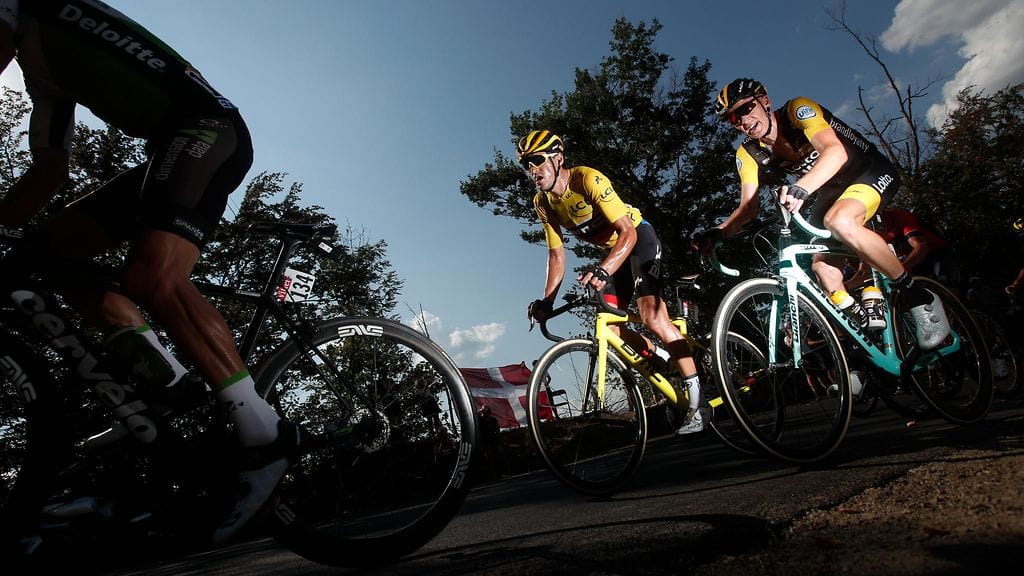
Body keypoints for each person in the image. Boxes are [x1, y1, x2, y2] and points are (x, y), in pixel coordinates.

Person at [0, 0, 299, 545]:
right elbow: (48, 173)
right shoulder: (40, 70)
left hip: (208, 130)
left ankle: (263, 431)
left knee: (151, 277)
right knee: (46, 254)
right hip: (174, 143)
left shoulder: (35, 10)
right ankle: (164, 378)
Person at [694, 78, 949, 349]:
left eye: (745, 109)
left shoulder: (798, 110)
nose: (742, 121)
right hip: (831, 190)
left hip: (867, 170)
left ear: (765, 101)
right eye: (733, 118)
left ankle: (919, 298)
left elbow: (834, 152)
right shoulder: (748, 153)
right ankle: (863, 334)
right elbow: (748, 207)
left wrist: (801, 187)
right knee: (822, 268)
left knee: (838, 220)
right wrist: (719, 232)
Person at [519, 130, 704, 435]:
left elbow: (627, 232)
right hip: (614, 253)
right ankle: (662, 356)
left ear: (558, 159)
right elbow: (556, 255)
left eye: (537, 161)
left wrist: (603, 270)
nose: (532, 170)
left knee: (651, 315)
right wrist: (547, 302)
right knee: (611, 327)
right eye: (527, 164)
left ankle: (698, 404)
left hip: (639, 239)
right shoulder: (543, 202)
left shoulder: (587, 180)